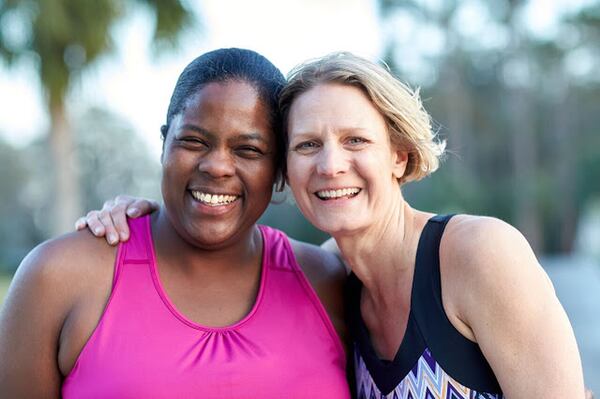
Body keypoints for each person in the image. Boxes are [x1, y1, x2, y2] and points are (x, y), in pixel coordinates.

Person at [84, 52, 587, 398]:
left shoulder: (477, 254)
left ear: (399, 155)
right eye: (307, 145)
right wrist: (152, 212)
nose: (330, 165)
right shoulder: (330, 277)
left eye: (355, 141)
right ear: (285, 171)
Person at [0, 48, 351, 398]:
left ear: (279, 173)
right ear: (164, 145)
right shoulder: (58, 277)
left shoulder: (328, 282)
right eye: (193, 141)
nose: (217, 166)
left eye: (248, 150)